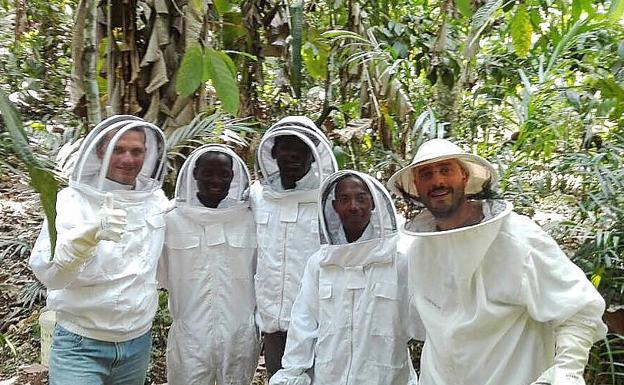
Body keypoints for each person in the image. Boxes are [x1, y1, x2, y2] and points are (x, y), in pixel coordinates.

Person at [387, 138, 607, 385]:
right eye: (426, 174)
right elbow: (425, 327)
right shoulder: (419, 250)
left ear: (464, 176)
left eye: (446, 170)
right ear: (416, 186)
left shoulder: (519, 237)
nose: (437, 181)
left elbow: (579, 310)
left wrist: (567, 371)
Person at [29, 115, 169, 385]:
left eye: (137, 151)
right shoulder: (71, 201)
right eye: (118, 149)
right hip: (81, 343)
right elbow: (50, 276)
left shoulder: (155, 201)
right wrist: (85, 238)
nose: (128, 159)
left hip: (137, 342)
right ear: (100, 150)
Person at [270, 170, 418, 385]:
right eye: (344, 199)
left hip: (386, 376)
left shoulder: (399, 260)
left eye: (361, 197)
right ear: (334, 207)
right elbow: (304, 321)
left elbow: (420, 321)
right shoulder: (320, 263)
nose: (353, 206)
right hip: (330, 376)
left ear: (374, 203)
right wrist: (294, 371)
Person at [158, 145, 260, 385]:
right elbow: (162, 277)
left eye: (223, 174)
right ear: (195, 174)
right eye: (208, 172)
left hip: (240, 334)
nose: (216, 180)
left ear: (233, 177)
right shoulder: (171, 220)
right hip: (189, 336)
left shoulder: (249, 219)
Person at [251, 116, 338, 379]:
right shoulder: (257, 196)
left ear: (314, 155)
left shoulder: (330, 200)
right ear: (274, 151)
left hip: (318, 322)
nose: (293, 155)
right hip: (273, 323)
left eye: (302, 148)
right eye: (286, 147)